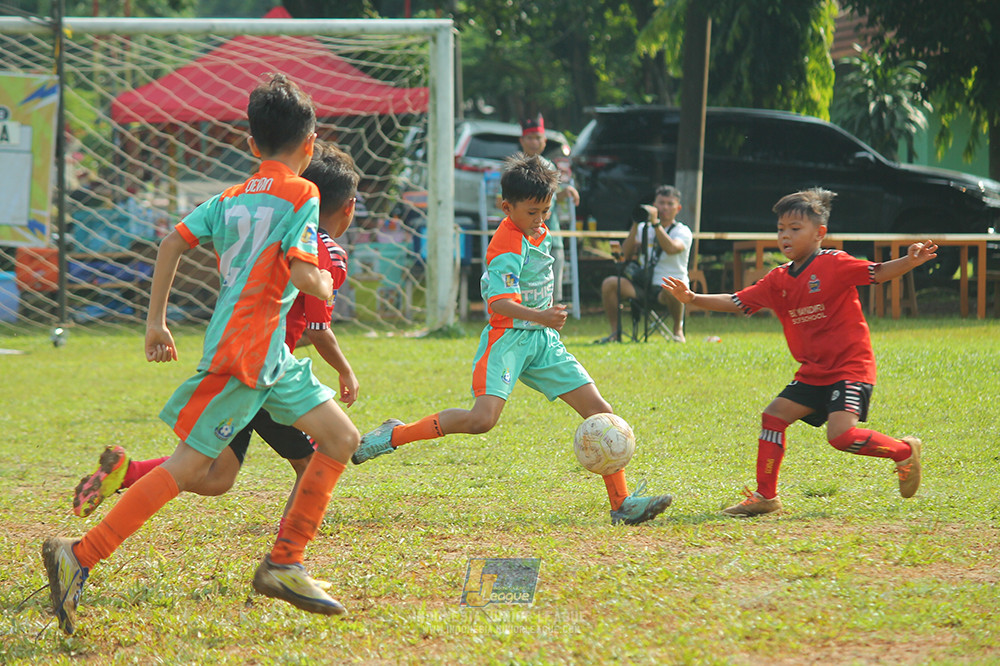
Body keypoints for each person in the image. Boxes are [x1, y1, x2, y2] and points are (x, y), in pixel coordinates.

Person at [42, 74, 361, 636]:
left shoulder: (229, 197)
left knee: (339, 439)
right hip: (248, 353)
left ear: (250, 142)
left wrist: (156, 320)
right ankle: (79, 555)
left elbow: (172, 242)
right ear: (310, 144)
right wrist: (325, 285)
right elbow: (308, 273)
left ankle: (285, 562)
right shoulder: (304, 193)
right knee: (193, 469)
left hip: (267, 356)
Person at [352, 153, 673, 526]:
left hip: (542, 341)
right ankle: (396, 433)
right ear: (508, 207)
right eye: (532, 212)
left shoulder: (538, 230)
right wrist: (542, 314)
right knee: (482, 420)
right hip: (507, 339)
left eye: (545, 211)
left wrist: (543, 320)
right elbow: (499, 301)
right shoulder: (507, 241)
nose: (540, 220)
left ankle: (621, 504)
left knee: (600, 410)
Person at [71, 141, 361, 521]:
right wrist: (344, 368)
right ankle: (286, 556)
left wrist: (156, 321)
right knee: (313, 460)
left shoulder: (255, 209)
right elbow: (319, 325)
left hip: (232, 353)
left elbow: (175, 241)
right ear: (348, 208)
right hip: (267, 370)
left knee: (217, 474)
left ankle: (128, 472)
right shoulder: (328, 252)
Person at [661, 188, 934, 516]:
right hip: (814, 372)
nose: (785, 236)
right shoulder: (777, 280)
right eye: (780, 229)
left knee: (842, 435)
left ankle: (903, 450)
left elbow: (877, 272)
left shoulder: (834, 264)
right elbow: (737, 301)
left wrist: (909, 261)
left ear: (819, 233)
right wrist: (693, 299)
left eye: (795, 228)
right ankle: (766, 497)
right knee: (773, 416)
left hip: (850, 367)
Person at [595, 185, 691, 344]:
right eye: (661, 203)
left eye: (669, 204)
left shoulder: (682, 231)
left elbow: (672, 248)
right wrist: (635, 224)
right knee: (610, 283)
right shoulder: (642, 228)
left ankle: (678, 331)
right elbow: (623, 255)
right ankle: (615, 332)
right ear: (654, 204)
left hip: (669, 288)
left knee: (671, 288)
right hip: (644, 284)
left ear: (678, 208)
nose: (664, 208)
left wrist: (656, 225)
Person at [518, 114, 579, 304]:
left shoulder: (549, 166)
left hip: (550, 235)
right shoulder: (514, 167)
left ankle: (552, 324)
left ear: (544, 141)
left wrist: (566, 190)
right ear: (522, 140)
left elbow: (551, 198)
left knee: (553, 287)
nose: (534, 142)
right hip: (523, 236)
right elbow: (502, 200)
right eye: (530, 137)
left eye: (538, 137)